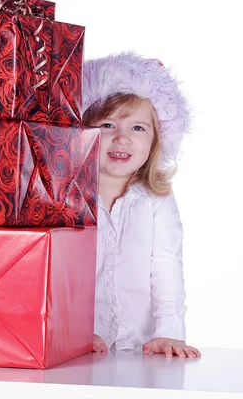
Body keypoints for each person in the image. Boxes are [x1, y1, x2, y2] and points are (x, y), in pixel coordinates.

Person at [82, 52, 200, 358]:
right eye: (108, 125)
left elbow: (166, 264)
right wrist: (68, 333)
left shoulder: (156, 199)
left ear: (155, 141)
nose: (122, 138)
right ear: (82, 133)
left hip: (141, 349)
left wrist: (168, 334)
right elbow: (53, 277)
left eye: (138, 128)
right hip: (77, 347)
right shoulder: (67, 196)